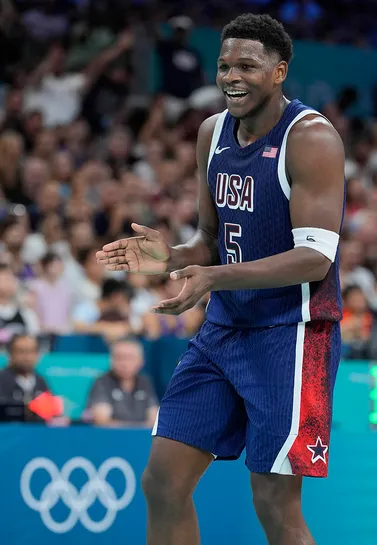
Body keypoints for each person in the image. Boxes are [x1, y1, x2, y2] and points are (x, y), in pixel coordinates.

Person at [97, 14, 345, 545]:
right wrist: (169, 258)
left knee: (275, 506)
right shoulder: (211, 134)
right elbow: (210, 239)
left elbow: (315, 259)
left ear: (279, 72)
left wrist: (213, 275)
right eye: (225, 65)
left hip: (293, 337)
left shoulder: (312, 139)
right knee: (162, 482)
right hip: (223, 331)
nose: (232, 76)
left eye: (248, 66)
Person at [86, 337, 159, 428]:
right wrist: (138, 428)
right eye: (119, 358)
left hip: (142, 439)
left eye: (129, 358)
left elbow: (154, 419)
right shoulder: (101, 382)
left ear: (141, 361)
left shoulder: (145, 382)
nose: (124, 363)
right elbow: (102, 421)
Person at [0, 334, 50, 420]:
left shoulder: (40, 381)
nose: (27, 357)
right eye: (21, 351)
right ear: (11, 354)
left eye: (31, 351)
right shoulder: (2, 380)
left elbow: (50, 412)